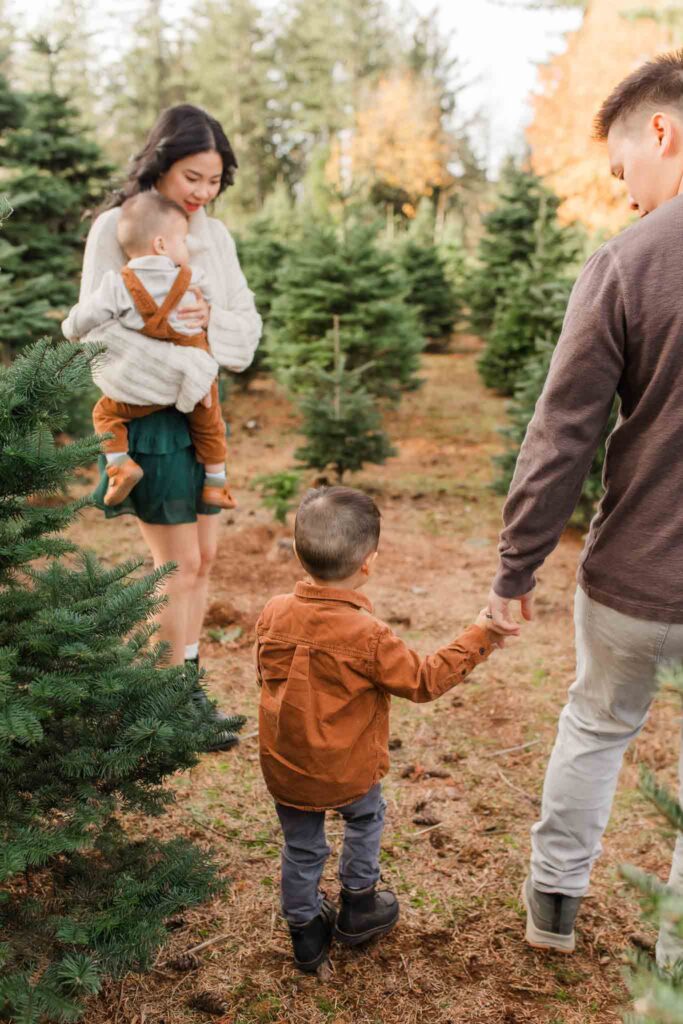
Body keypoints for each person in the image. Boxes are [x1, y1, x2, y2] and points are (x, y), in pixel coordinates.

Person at [485, 51, 683, 960]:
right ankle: (676, 959)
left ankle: (552, 906)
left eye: (621, 169)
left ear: (661, 131)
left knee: (596, 726)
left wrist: (514, 567)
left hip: (634, 581)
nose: (622, 192)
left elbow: (560, 432)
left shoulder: (625, 264)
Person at [72, 104, 261, 748]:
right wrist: (180, 362)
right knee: (173, 567)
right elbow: (95, 334)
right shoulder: (114, 229)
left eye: (213, 181)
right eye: (192, 177)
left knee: (204, 561)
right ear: (161, 165)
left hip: (201, 412)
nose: (202, 194)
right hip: (146, 420)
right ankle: (162, 705)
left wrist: (203, 336)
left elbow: (242, 327)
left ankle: (186, 688)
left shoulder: (218, 237)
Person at [255, 486, 502, 973]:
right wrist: (482, 635)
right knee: (365, 818)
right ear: (368, 562)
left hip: (287, 768)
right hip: (349, 771)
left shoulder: (272, 611)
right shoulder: (368, 635)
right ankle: (359, 905)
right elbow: (425, 679)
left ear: (300, 554)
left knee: (302, 846)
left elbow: (266, 679)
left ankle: (305, 935)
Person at [63, 191, 236, 511]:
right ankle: (216, 482)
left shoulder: (116, 284)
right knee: (210, 425)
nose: (186, 248)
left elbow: (85, 318)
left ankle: (120, 465)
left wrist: (69, 329)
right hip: (195, 378)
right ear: (161, 245)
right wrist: (203, 304)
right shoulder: (190, 277)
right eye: (182, 240)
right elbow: (212, 301)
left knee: (105, 414)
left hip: (143, 383)